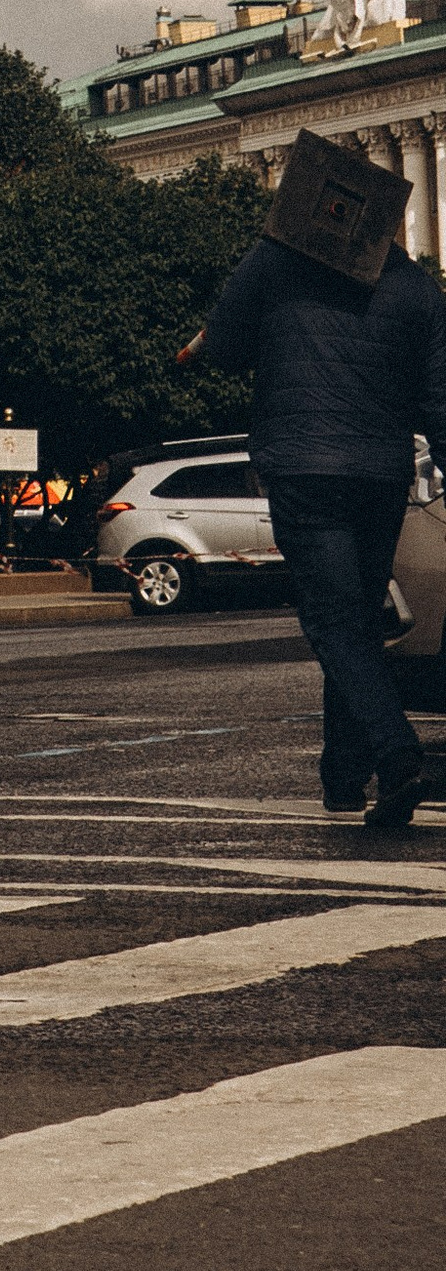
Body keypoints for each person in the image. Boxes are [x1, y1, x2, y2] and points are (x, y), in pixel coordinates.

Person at [199, 168, 446, 828]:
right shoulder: (418, 290)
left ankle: (398, 758)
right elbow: (439, 401)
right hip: (381, 473)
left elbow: (222, 347)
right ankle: (344, 778)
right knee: (357, 619)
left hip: (303, 465)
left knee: (335, 624)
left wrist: (211, 344)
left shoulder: (275, 260)